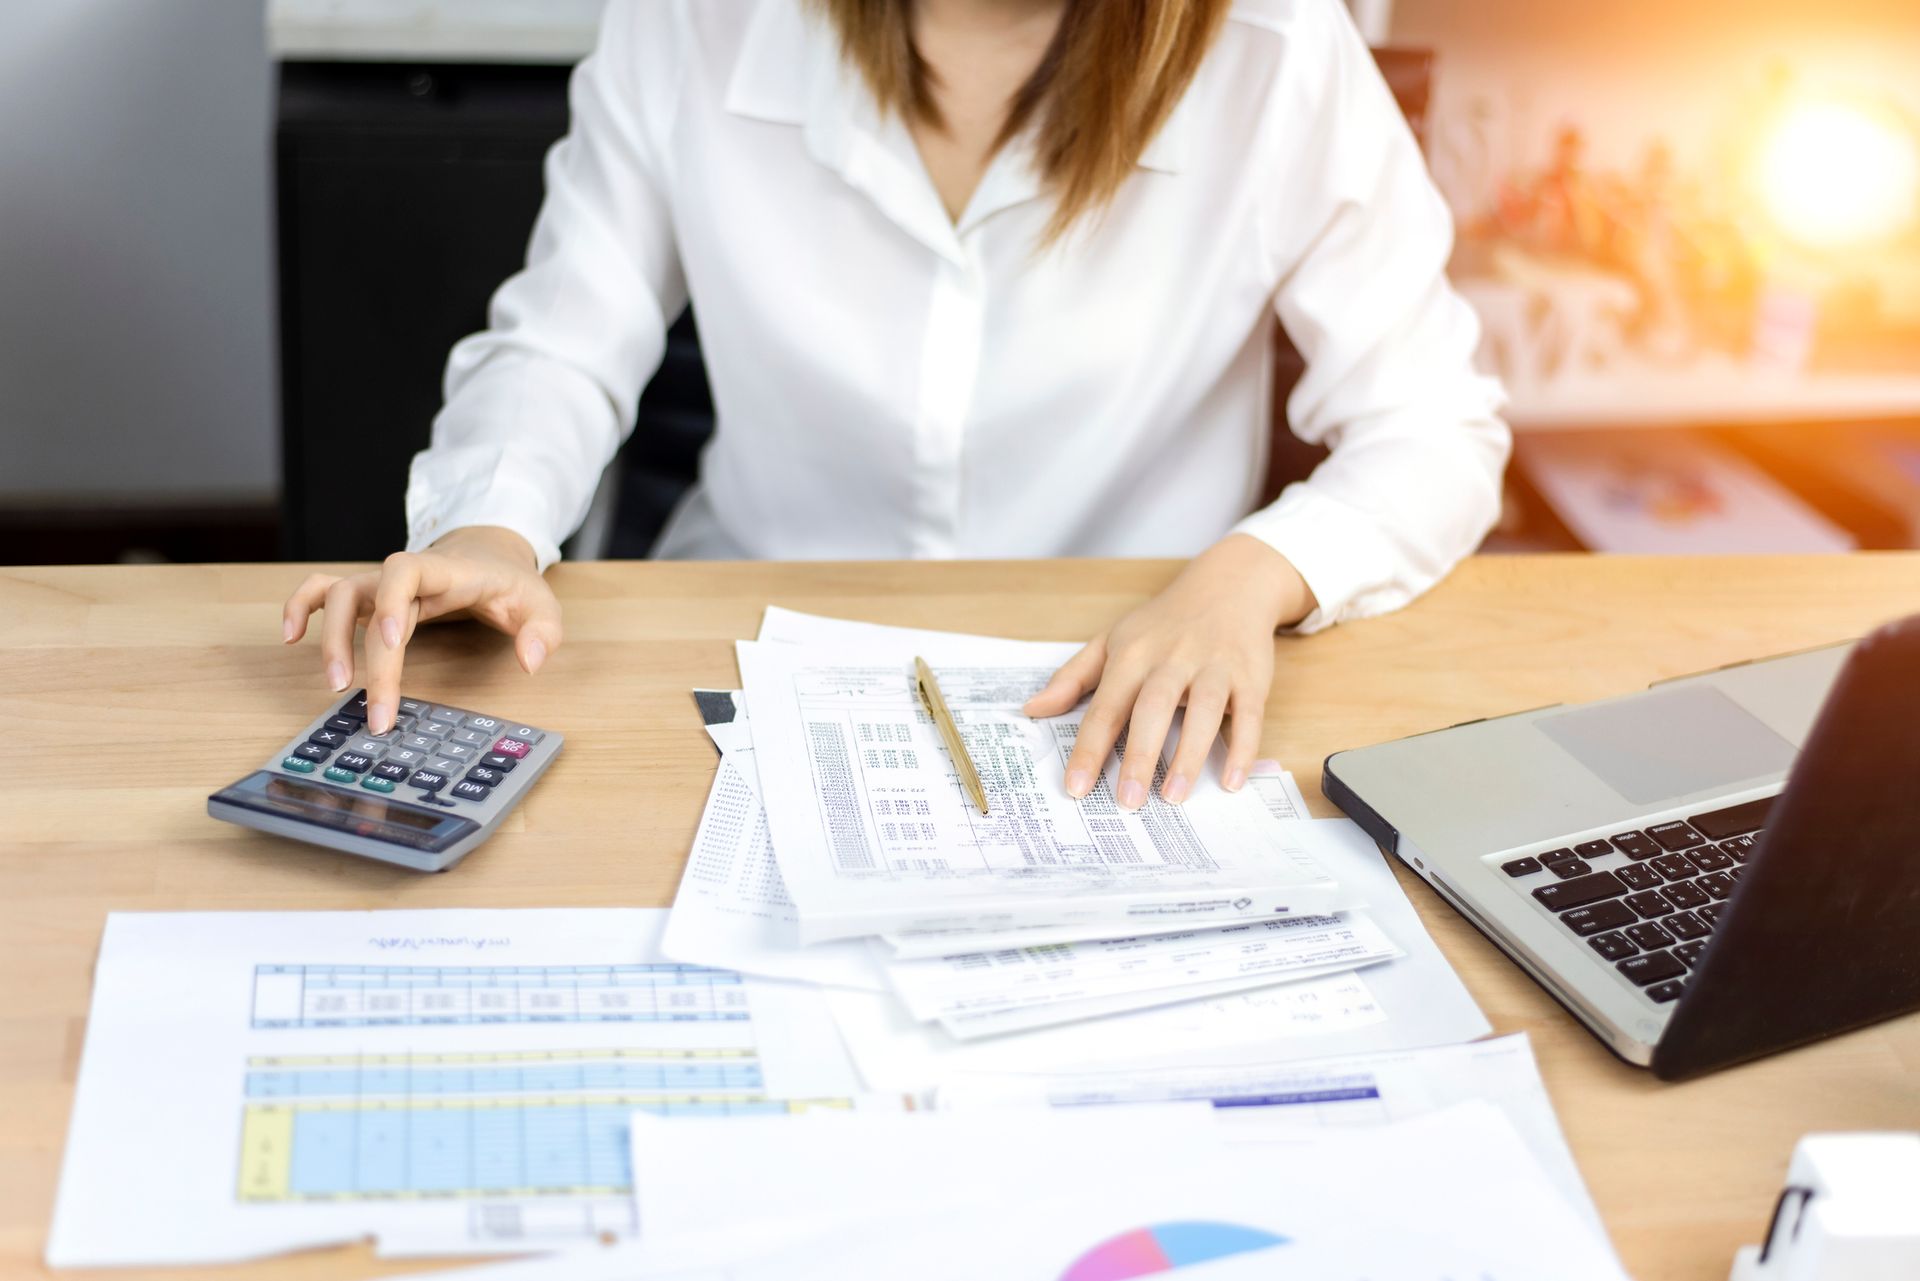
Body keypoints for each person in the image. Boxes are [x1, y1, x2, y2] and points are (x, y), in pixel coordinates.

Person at [281, 0, 1508, 811]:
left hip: (1120, 686)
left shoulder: (1275, 49)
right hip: (751, 663)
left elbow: (1435, 425)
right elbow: (559, 339)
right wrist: (489, 529)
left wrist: (1250, 577)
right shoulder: (695, 24)